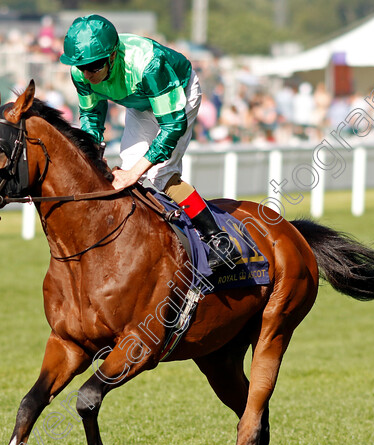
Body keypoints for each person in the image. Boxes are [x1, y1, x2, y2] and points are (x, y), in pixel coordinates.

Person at [60, 14, 240, 269]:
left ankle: (219, 240)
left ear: (112, 55)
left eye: (95, 66)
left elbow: (172, 125)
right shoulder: (80, 71)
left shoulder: (149, 64)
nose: (87, 74)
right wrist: (93, 154)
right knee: (127, 166)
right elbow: (91, 115)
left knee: (159, 173)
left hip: (178, 94)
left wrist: (135, 172)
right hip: (140, 102)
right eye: (82, 67)